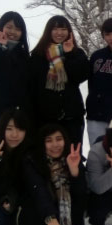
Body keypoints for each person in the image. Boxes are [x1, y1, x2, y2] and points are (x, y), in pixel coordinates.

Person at [13, 124, 87, 225]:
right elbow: (39, 191)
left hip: (54, 208)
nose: (55, 144)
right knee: (30, 202)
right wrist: (51, 219)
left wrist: (74, 170)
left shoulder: (72, 158)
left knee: (76, 194)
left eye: (59, 139)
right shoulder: (32, 161)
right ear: (42, 143)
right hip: (37, 210)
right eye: (49, 140)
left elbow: (81, 194)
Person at [28, 15, 89, 145]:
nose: (59, 33)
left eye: (63, 29)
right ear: (48, 31)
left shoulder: (77, 53)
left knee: (72, 156)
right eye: (55, 29)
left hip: (71, 117)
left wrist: (68, 53)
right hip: (45, 118)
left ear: (69, 32)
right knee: (46, 156)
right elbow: (33, 86)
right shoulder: (37, 55)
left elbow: (80, 76)